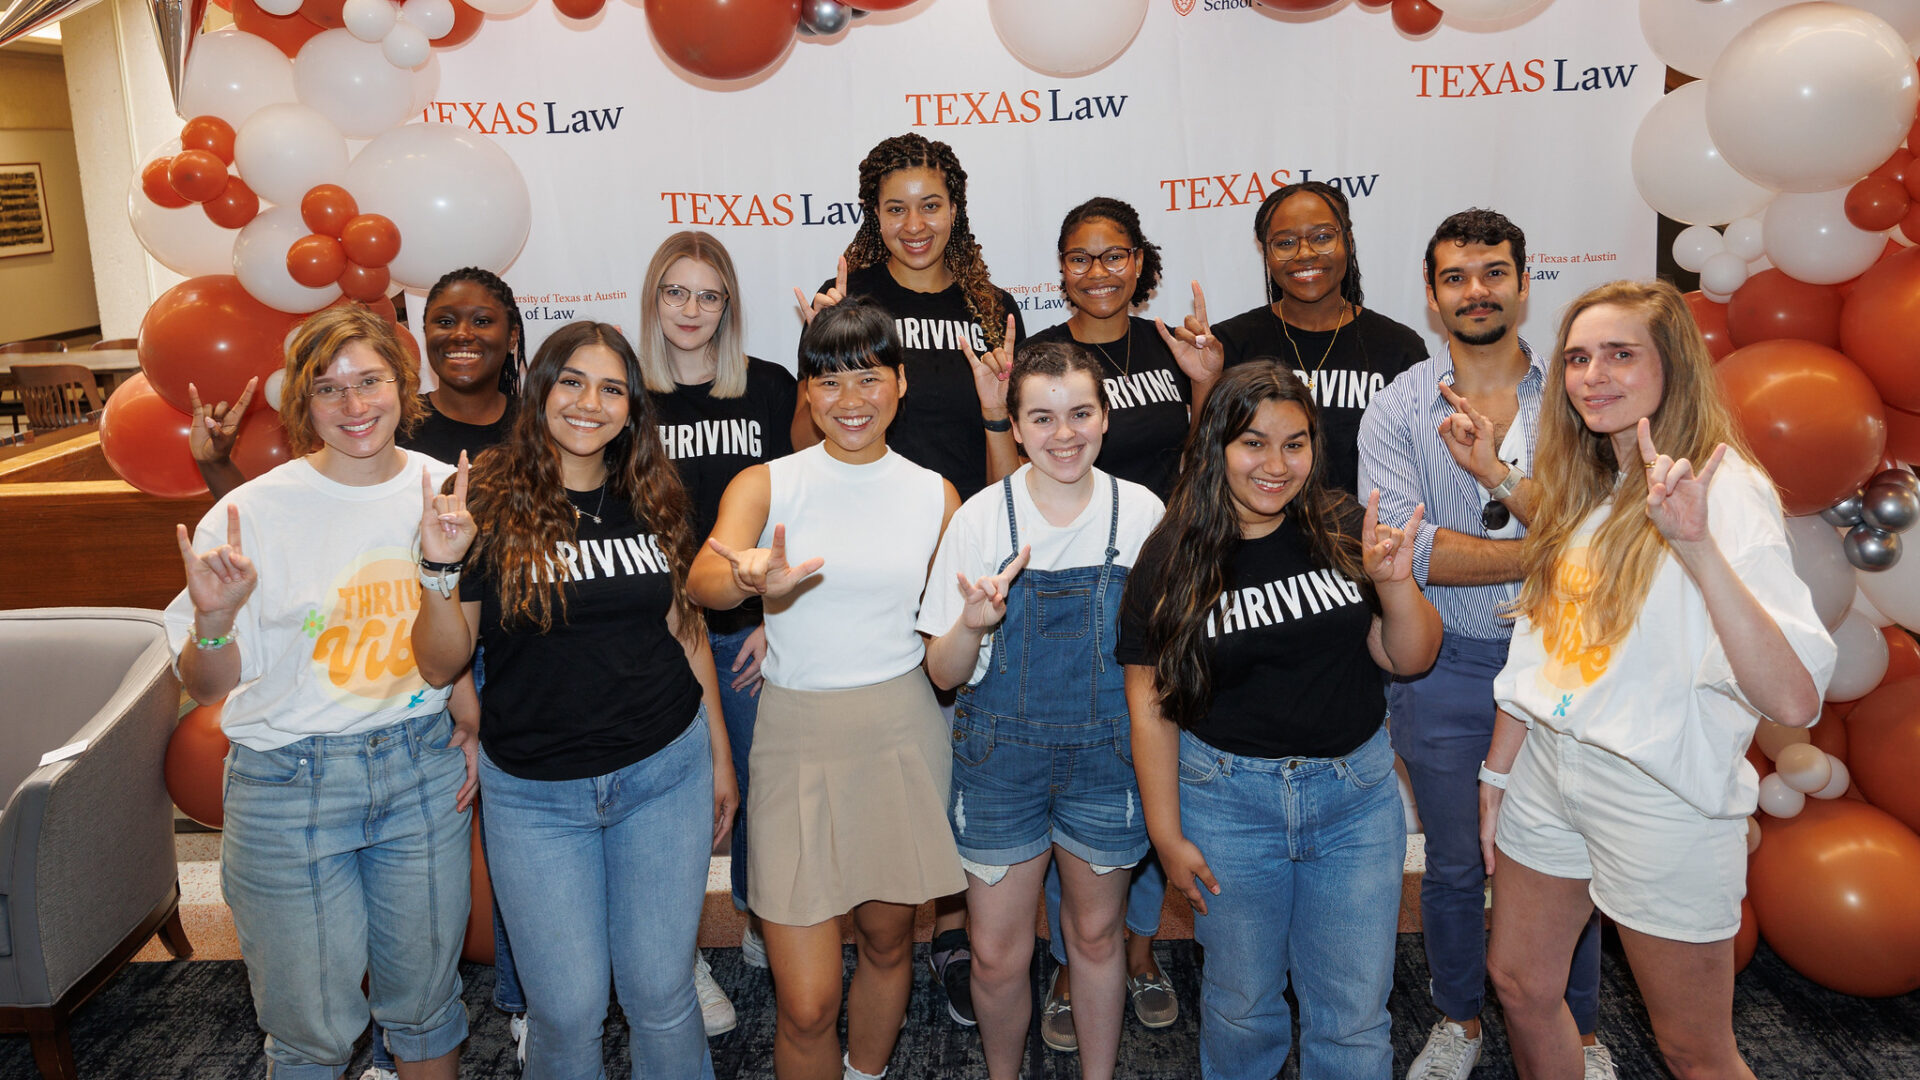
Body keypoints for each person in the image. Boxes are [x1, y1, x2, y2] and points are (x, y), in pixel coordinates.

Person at [1481, 280, 1833, 1080]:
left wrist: (1699, 546)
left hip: (1659, 793)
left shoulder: (1724, 489)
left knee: (1692, 1050)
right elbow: (1544, 647)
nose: (1593, 375)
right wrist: (1498, 770)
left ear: (1672, 364)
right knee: (1522, 983)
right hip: (1550, 766)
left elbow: (1792, 700)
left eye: (1620, 354)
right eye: (1577, 357)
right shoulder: (1588, 480)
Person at [410, 321, 736, 1080]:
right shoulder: (484, 499)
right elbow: (437, 663)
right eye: (572, 382)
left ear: (632, 407)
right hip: (534, 793)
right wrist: (437, 565)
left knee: (661, 996)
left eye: (612, 388)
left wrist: (720, 752)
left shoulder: (653, 492)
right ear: (540, 388)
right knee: (566, 1012)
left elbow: (685, 629)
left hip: (664, 771)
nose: (590, 403)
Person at [166, 303, 469, 1080]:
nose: (354, 406)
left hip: (417, 772)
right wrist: (214, 621)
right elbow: (207, 689)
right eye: (329, 389)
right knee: (310, 1037)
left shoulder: (446, 492)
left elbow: (458, 652)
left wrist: (471, 725)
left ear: (405, 386)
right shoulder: (247, 514)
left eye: (369, 382)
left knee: (428, 1011)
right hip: (286, 781)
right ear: (303, 402)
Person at [1120, 361, 1442, 1079]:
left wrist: (1395, 586)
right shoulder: (1170, 556)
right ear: (1216, 447)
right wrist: (1166, 834)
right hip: (1228, 804)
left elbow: (1410, 657)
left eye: (1294, 444)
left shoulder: (1343, 526)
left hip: (1355, 801)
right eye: (1253, 443)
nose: (1276, 464)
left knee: (1355, 1015)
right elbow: (1149, 710)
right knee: (1241, 1007)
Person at [1355, 209, 1610, 1080]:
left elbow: (1610, 539)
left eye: (1493, 272)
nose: (1476, 291)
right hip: (1451, 667)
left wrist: (1514, 492)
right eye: (1456, 277)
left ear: (1523, 283)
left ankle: (1578, 1029)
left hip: (1571, 670)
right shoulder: (1396, 408)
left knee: (1573, 858)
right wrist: (1557, 545)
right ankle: (1458, 1019)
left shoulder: (1582, 398)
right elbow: (1412, 550)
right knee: (1458, 864)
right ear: (1431, 297)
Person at [690, 298, 963, 1080]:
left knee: (885, 943)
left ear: (900, 384)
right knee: (805, 1000)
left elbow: (944, 634)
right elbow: (705, 578)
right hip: (795, 738)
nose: (851, 399)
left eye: (868, 378)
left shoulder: (933, 494)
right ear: (806, 392)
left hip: (901, 732)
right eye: (830, 380)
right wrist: (745, 576)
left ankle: (866, 1073)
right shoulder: (767, 484)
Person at [796, 131, 1026, 1025]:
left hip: (967, 568)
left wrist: (998, 409)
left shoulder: (991, 305)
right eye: (896, 206)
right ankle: (889, 931)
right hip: (874, 568)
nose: (915, 223)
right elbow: (801, 449)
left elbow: (1016, 468)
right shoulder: (853, 302)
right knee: (899, 752)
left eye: (932, 203)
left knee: (968, 751)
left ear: (957, 209)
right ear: (872, 216)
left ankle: (966, 930)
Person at [919, 341, 1164, 1080]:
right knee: (996, 954)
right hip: (999, 760)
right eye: (1043, 417)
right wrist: (971, 623)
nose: (1065, 434)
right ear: (1015, 427)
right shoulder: (981, 518)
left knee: (1095, 938)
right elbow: (941, 673)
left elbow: (1160, 666)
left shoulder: (1143, 511)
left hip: (1107, 760)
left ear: (1105, 417)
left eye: (1080, 413)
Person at [1022, 196, 1212, 1048]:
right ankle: (1074, 958)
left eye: (1115, 255)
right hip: (1064, 599)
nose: (1098, 272)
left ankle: (1135, 953)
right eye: (1080, 257)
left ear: (1140, 262)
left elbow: (1208, 464)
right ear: (1060, 268)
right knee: (1074, 777)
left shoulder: (1174, 347)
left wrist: (1205, 384)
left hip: (1167, 591)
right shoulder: (1041, 358)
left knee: (1143, 779)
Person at [640, 229, 799, 1011]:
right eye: (676, 291)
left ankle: (762, 917)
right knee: (679, 804)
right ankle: (678, 959)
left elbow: (800, 502)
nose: (691, 309)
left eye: (708, 293)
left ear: (729, 304)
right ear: (653, 300)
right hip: (654, 634)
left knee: (762, 791)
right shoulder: (623, 393)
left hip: (745, 630)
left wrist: (778, 612)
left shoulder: (768, 386)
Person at [1172, 180, 1424, 494]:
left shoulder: (1399, 348)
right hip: (1257, 539)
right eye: (1285, 243)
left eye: (1322, 238)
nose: (1305, 254)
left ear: (1348, 240)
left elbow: (1422, 466)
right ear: (1266, 252)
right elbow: (1201, 470)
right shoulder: (1230, 345)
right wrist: (1204, 381)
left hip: (1367, 538)